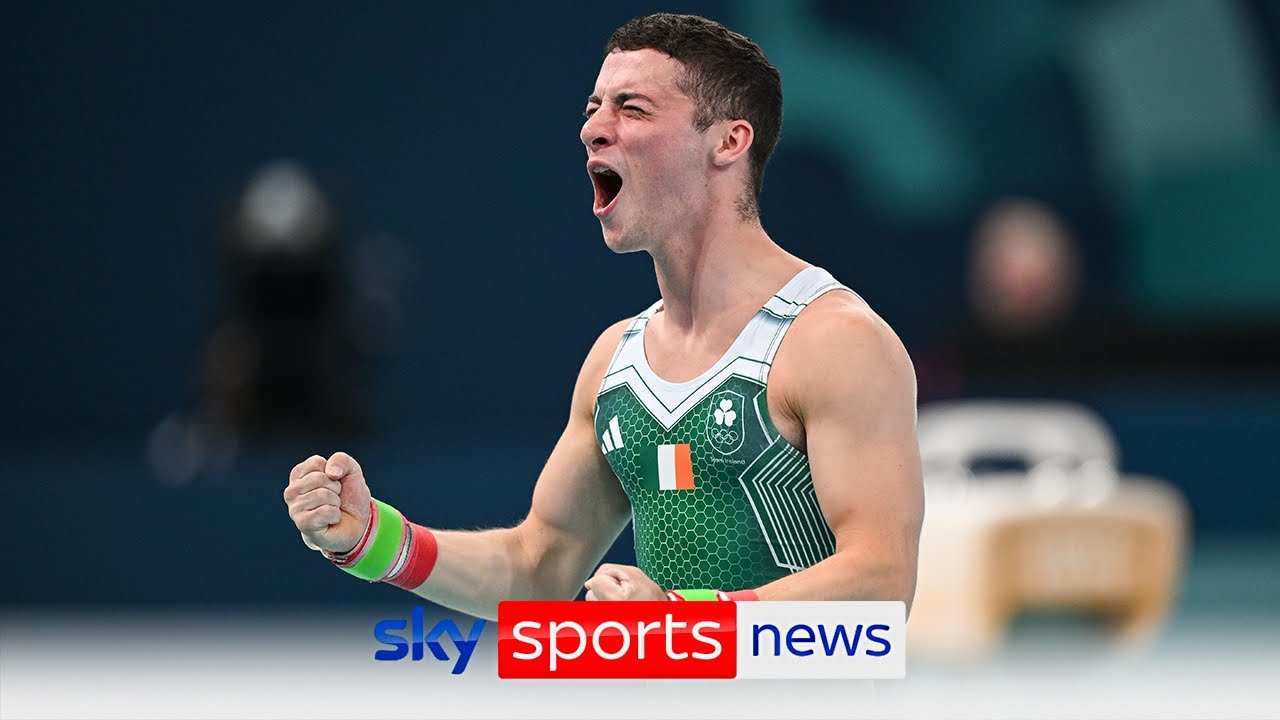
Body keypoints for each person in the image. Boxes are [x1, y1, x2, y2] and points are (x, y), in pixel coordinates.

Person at [283, 13, 923, 618]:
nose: (593, 128)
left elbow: (881, 582)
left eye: (632, 108)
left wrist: (685, 620)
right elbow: (539, 568)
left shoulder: (833, 340)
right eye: (593, 108)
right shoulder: (617, 362)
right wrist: (372, 539)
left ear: (729, 141)